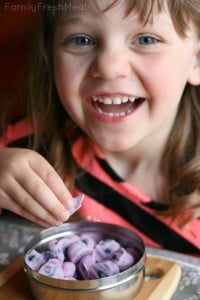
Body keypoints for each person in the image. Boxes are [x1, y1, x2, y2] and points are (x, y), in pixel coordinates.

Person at [0, 0, 200, 254]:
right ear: (51, 54)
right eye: (81, 40)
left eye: (146, 40)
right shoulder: (29, 148)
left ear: (196, 60)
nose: (108, 67)